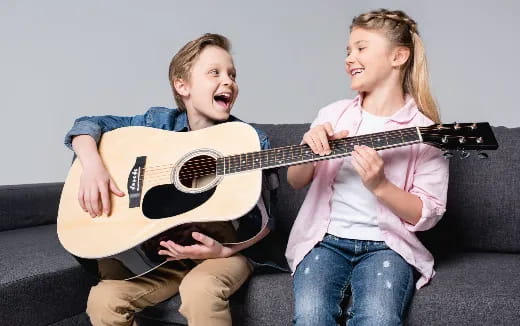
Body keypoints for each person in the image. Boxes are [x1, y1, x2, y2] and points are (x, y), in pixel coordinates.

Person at [64, 33, 279, 326]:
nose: (228, 80)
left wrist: (224, 250)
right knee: (104, 302)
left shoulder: (249, 141)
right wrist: (92, 165)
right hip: (163, 257)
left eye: (232, 74)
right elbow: (87, 126)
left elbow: (267, 221)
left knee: (200, 290)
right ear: (182, 85)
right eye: (214, 72)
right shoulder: (158, 124)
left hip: (222, 253)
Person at [285, 9, 449, 325]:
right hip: (325, 242)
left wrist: (381, 187)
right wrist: (311, 152)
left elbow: (427, 214)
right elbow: (295, 180)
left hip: (386, 248)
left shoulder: (424, 130)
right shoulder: (332, 114)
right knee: (311, 315)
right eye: (348, 51)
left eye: (361, 48)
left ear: (398, 56)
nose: (349, 58)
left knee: (378, 317)